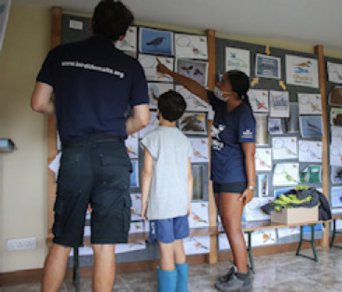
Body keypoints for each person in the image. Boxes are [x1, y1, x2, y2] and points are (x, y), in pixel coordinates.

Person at [30, 1, 149, 291]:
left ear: (92, 22)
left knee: (62, 241)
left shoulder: (60, 54)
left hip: (75, 153)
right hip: (113, 155)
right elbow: (142, 118)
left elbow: (38, 103)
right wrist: (110, 129)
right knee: (105, 245)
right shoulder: (130, 66)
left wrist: (71, 111)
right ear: (123, 35)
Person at [157, 60, 256, 291]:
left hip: (235, 178)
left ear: (233, 90)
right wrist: (168, 72)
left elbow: (250, 154)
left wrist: (250, 186)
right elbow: (194, 87)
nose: (217, 83)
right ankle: (241, 267)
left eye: (222, 81)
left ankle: (243, 277)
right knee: (227, 225)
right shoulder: (222, 105)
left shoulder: (243, 114)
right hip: (220, 176)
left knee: (233, 228)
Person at [140, 90, 193, 292]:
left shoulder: (152, 138)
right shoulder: (183, 139)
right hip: (180, 203)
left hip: (161, 204)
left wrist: (144, 203)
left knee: (165, 250)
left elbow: (146, 173)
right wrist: (188, 203)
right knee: (178, 246)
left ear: (158, 111)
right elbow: (189, 176)